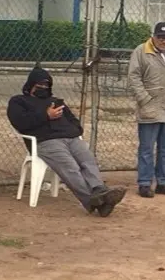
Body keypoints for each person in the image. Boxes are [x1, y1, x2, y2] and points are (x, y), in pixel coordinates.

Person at [7, 68, 127, 216]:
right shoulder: (19, 101)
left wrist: (71, 132)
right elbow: (20, 123)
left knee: (88, 160)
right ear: (31, 85)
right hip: (45, 141)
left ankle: (99, 191)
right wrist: (46, 116)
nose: (43, 88)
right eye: (40, 85)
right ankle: (95, 201)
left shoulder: (55, 101)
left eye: (46, 85)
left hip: (71, 138)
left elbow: (75, 123)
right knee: (70, 167)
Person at [126, 22, 165, 198]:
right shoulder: (141, 51)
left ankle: (163, 182)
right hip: (150, 108)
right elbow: (133, 77)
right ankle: (144, 183)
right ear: (154, 36)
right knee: (146, 148)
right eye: (160, 37)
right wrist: (144, 98)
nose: (164, 41)